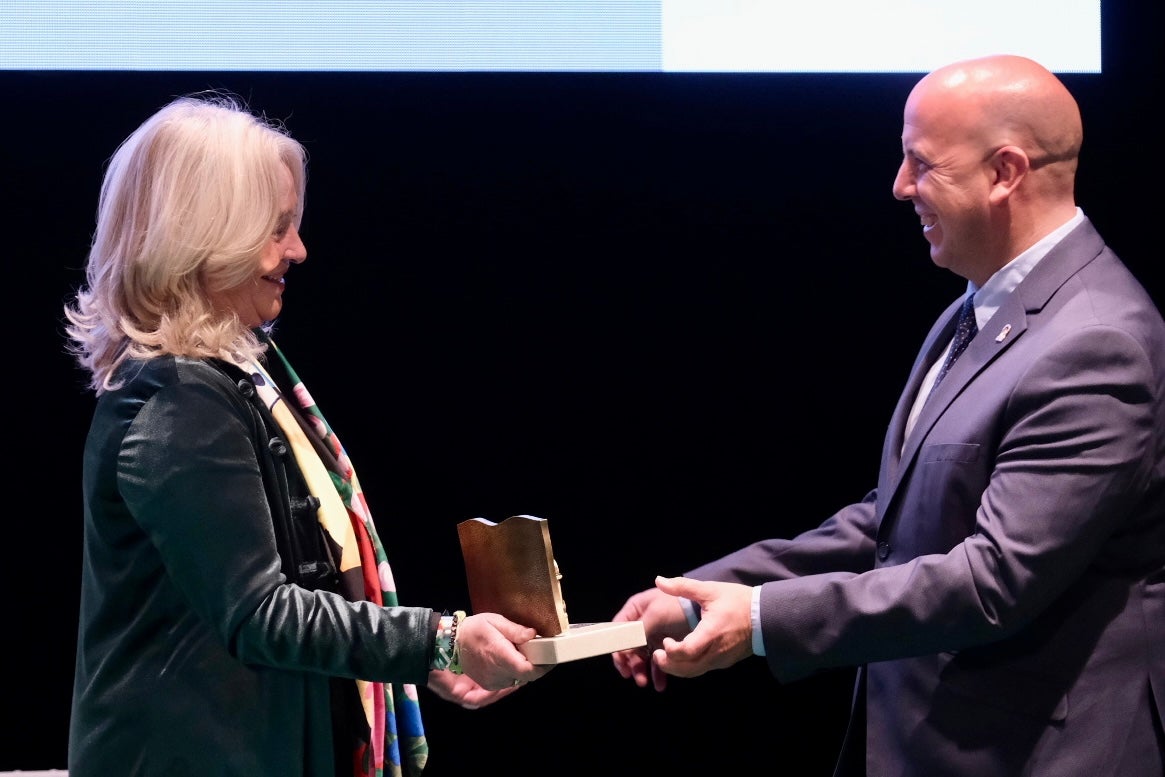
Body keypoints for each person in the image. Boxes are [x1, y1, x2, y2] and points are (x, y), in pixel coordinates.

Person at [611, 54, 1165, 777]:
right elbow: (894, 520)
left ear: (1005, 173)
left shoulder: (1096, 343)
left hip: (1042, 753)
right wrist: (697, 594)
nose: (899, 186)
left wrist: (754, 622)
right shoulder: (974, 308)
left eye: (920, 164)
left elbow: (991, 581)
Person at [63, 92, 550, 777]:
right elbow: (262, 612)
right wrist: (437, 641)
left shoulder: (236, 380)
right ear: (202, 236)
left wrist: (423, 661)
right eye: (275, 228)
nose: (298, 249)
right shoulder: (180, 398)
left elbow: (303, 581)